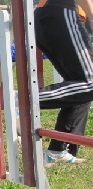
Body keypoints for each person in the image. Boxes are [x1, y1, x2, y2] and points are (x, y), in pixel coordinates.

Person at [34, 0, 93, 165]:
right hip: (61, 12)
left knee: (79, 86)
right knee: (90, 83)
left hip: (51, 16)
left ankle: (58, 149)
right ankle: (24, 100)